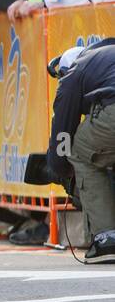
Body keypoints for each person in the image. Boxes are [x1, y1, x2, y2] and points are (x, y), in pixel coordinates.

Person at [47, 41, 115, 258]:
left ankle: (107, 239)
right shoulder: (104, 56)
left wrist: (61, 169)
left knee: (80, 152)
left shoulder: (73, 74)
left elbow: (63, 135)